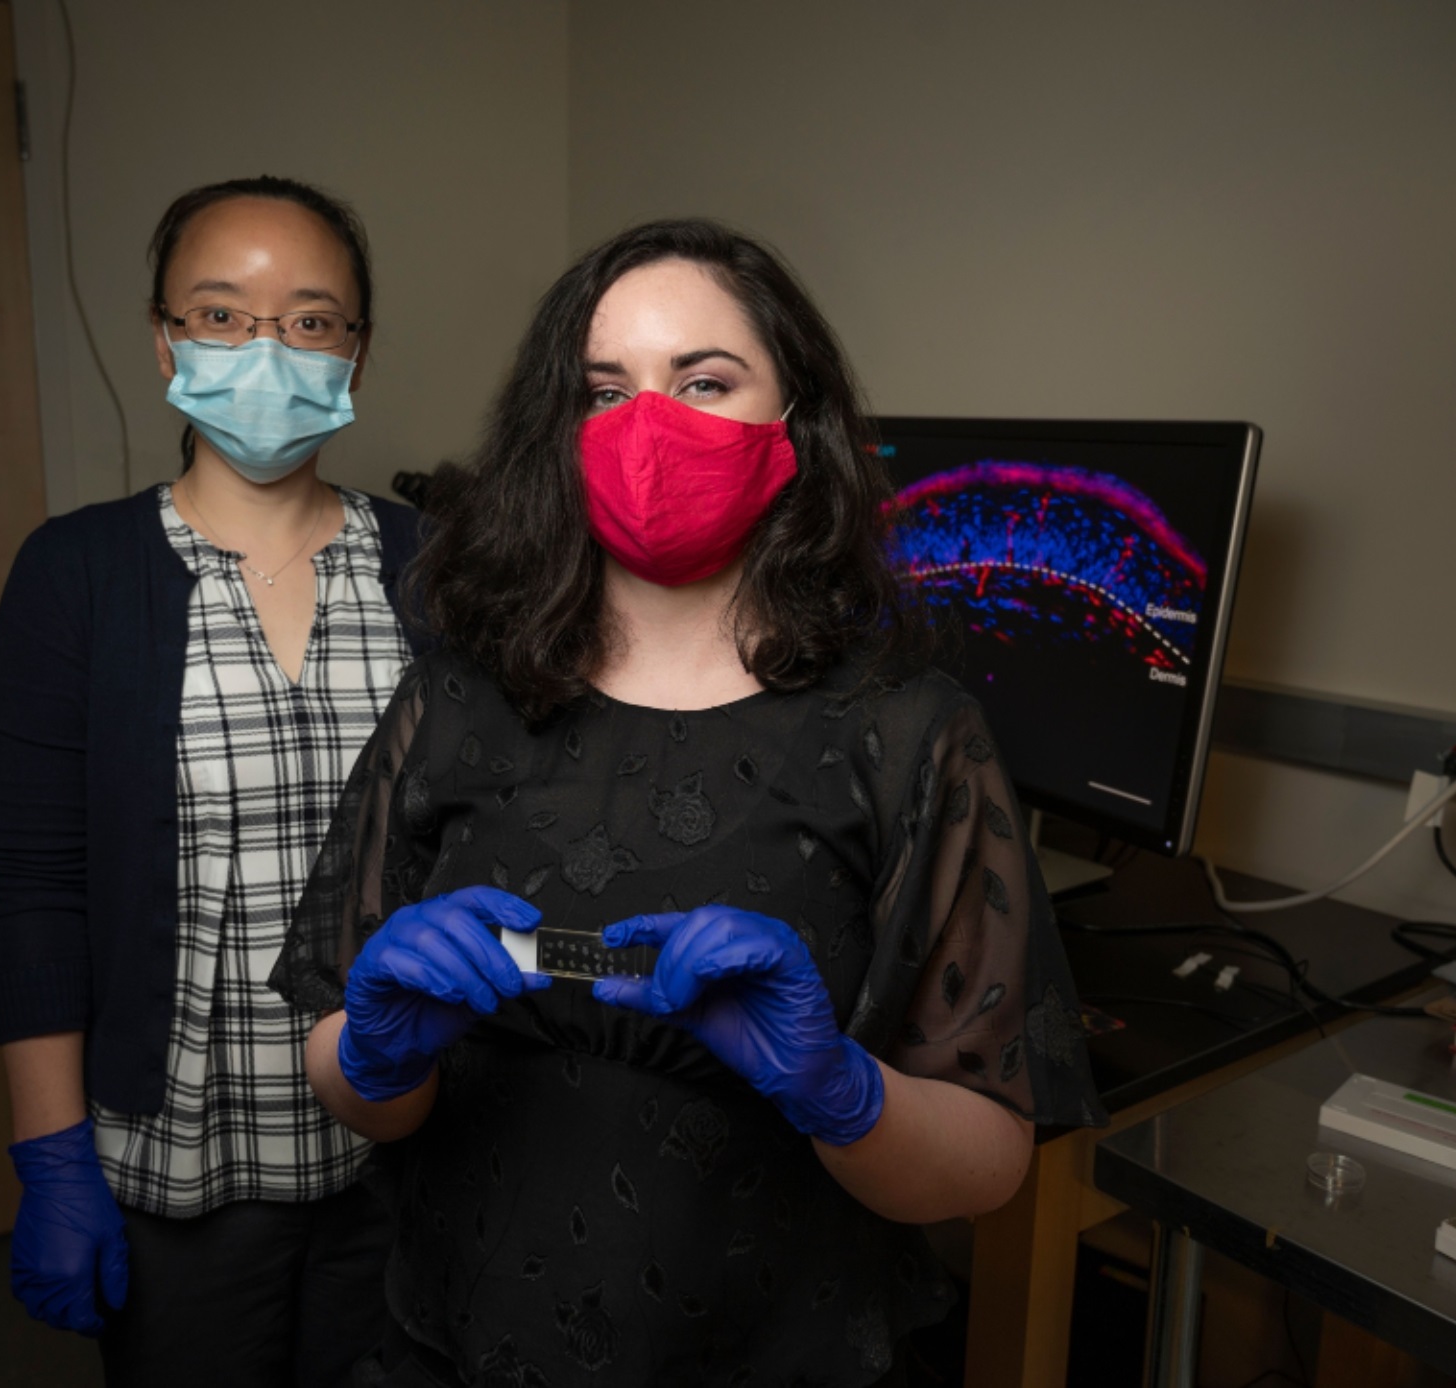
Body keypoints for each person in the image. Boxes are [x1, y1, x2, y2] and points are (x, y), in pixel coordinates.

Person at [274, 218, 1103, 1387]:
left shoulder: (906, 732)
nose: (646, 427)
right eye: (600, 391)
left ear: (792, 421)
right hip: (456, 1342)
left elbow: (984, 1163)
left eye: (703, 380)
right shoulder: (452, 700)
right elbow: (353, 1085)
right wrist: (372, 1052)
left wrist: (842, 1091)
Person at [0, 175, 423, 1386]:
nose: (266, 351)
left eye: (310, 319)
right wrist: (52, 1154)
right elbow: (37, 886)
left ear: (356, 351)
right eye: (223, 315)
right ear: (163, 334)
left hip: (408, 1154)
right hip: (178, 1167)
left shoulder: (436, 574)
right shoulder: (75, 574)